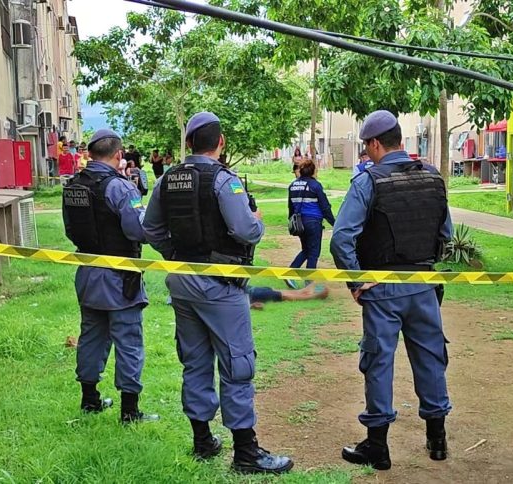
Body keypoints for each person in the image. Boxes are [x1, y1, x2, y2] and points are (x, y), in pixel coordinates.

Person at [143, 112, 293, 474]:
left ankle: (203, 440)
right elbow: (245, 230)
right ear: (221, 143)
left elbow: (150, 228)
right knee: (237, 362)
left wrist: (174, 254)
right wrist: (257, 223)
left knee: (194, 360)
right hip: (221, 285)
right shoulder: (224, 180)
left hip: (182, 281)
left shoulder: (168, 180)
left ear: (190, 143)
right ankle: (246, 453)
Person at [330, 110, 453, 470]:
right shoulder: (433, 178)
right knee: (431, 357)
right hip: (424, 284)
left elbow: (341, 239)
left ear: (373, 144)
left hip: (382, 287)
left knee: (379, 362)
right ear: (401, 140)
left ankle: (377, 447)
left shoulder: (369, 182)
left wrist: (355, 281)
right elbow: (444, 233)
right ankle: (437, 440)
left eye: (366, 149)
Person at [61, 128, 159, 425]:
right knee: (128, 340)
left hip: (87, 272)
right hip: (119, 277)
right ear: (119, 156)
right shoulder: (120, 187)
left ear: (90, 154)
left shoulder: (73, 185)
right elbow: (136, 230)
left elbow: (70, 229)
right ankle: (130, 411)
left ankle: (89, 399)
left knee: (91, 335)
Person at [286, 159, 335, 289]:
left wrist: (292, 221)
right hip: (313, 222)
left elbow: (290, 207)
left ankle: (290, 273)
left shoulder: (293, 185)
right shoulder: (315, 186)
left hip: (300, 223)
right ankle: (309, 282)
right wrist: (334, 223)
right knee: (313, 252)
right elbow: (325, 207)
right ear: (313, 171)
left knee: (306, 250)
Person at [247, 283, 328, 310]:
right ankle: (312, 294)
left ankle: (311, 293)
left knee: (282, 294)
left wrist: (251, 306)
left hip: (251, 292)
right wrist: (252, 306)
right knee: (282, 294)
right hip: (250, 291)